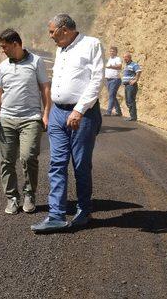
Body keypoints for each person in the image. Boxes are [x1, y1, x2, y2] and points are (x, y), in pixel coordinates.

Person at [31, 14, 103, 233]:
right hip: (57, 114)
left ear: (64, 29)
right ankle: (56, 215)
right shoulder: (60, 48)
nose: (50, 36)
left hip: (83, 115)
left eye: (52, 31)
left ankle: (84, 209)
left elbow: (97, 80)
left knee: (81, 165)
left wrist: (79, 110)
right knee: (57, 164)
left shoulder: (91, 44)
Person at [0, 29, 51, 215]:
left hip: (30, 119)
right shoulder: (3, 66)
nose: (2, 51)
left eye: (4, 47)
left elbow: (45, 89)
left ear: (16, 44)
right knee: (6, 161)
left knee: (28, 157)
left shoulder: (36, 61)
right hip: (6, 119)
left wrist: (46, 113)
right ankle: (12, 198)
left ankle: (29, 194)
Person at [122, 52, 142, 121]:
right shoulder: (127, 65)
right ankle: (132, 116)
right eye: (124, 57)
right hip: (127, 86)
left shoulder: (134, 64)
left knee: (131, 100)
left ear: (130, 57)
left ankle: (133, 117)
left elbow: (139, 71)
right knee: (128, 101)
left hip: (131, 86)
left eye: (126, 57)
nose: (124, 59)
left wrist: (135, 80)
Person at [104, 46, 123, 116]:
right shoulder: (109, 59)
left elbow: (120, 66)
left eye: (113, 51)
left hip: (115, 80)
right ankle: (119, 111)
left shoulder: (117, 59)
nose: (111, 52)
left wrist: (111, 67)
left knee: (111, 95)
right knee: (113, 96)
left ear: (116, 52)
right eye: (110, 51)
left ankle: (108, 112)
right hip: (108, 80)